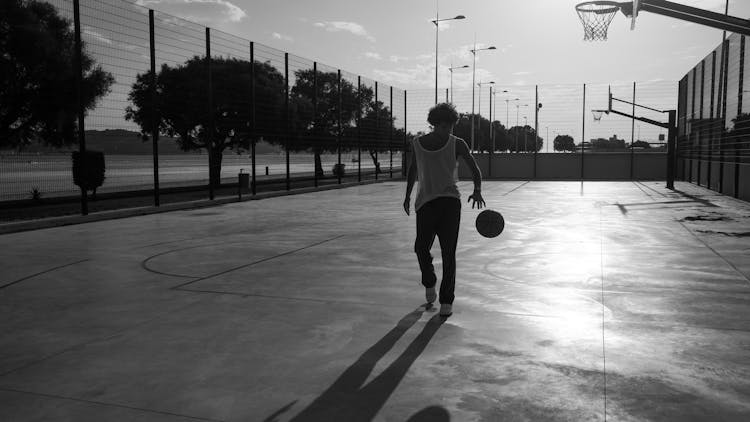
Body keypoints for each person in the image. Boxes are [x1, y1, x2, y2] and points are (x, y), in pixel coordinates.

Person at [403, 103, 485, 317]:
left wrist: (477, 190)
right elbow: (413, 169)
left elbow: (475, 169)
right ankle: (429, 281)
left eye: (451, 126)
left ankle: (447, 300)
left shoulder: (457, 144)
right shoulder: (417, 144)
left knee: (449, 253)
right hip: (425, 203)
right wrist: (407, 195)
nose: (448, 130)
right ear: (434, 124)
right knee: (421, 248)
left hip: (450, 202)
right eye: (444, 126)